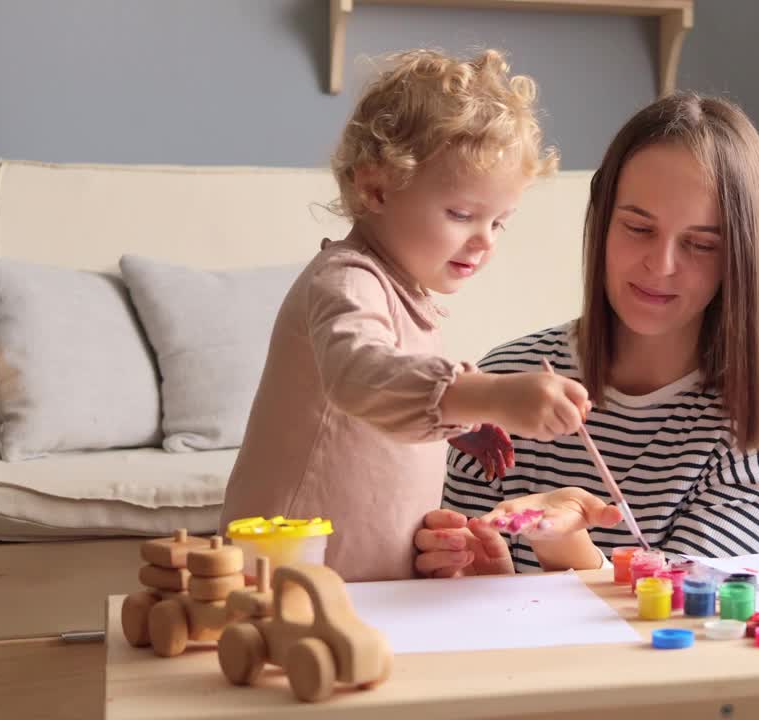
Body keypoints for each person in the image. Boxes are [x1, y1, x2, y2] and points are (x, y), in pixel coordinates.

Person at [220, 49, 591, 582]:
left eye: (499, 222)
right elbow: (360, 374)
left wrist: (456, 427)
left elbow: (372, 410)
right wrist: (484, 393)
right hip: (289, 572)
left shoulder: (406, 294)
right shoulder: (346, 279)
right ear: (376, 189)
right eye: (462, 214)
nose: (484, 240)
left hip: (362, 575)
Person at [416, 92, 759, 577]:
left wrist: (567, 549)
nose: (661, 265)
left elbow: (690, 610)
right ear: (603, 221)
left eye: (700, 244)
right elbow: (467, 589)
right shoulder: (504, 379)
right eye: (638, 228)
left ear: (740, 255)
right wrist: (480, 575)